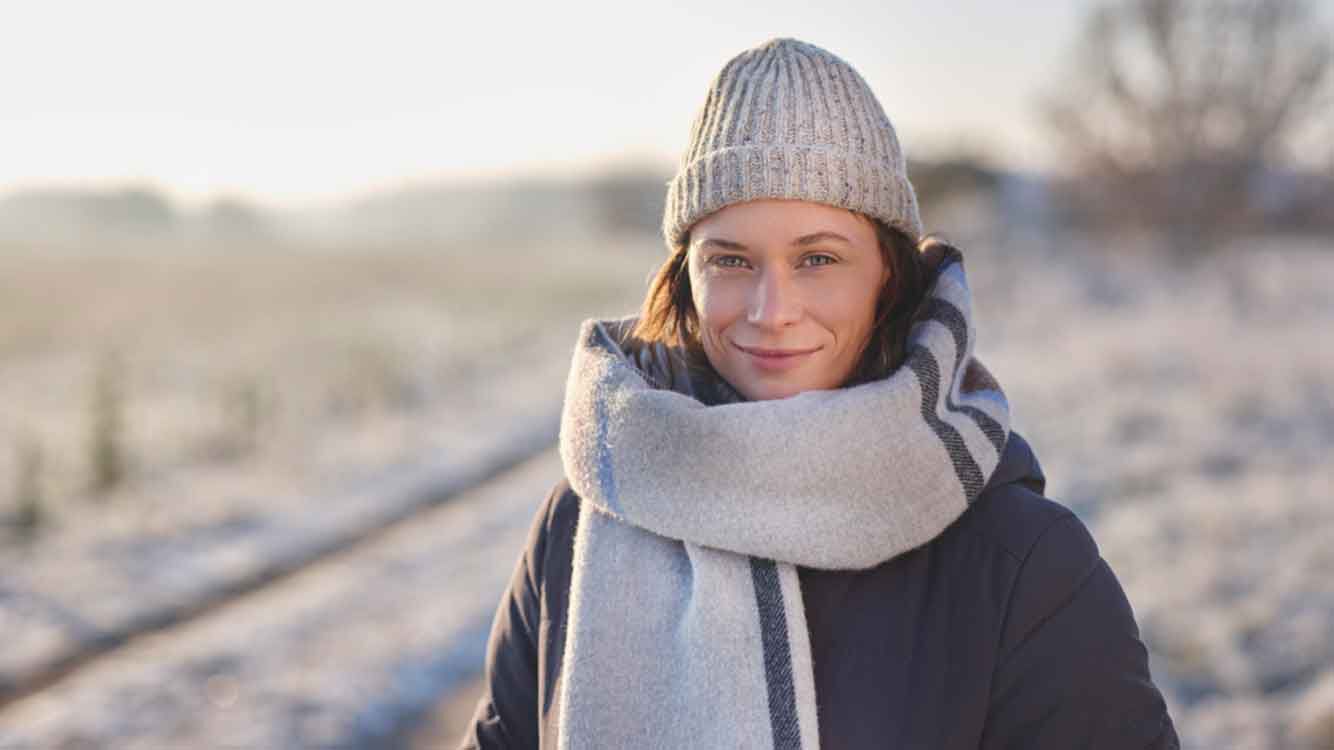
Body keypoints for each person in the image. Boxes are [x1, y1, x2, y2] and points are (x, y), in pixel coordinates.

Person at [457, 37, 1179, 749]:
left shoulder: (1023, 567)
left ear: (887, 277)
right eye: (732, 260)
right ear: (685, 277)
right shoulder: (583, 522)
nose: (772, 310)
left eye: (818, 259)